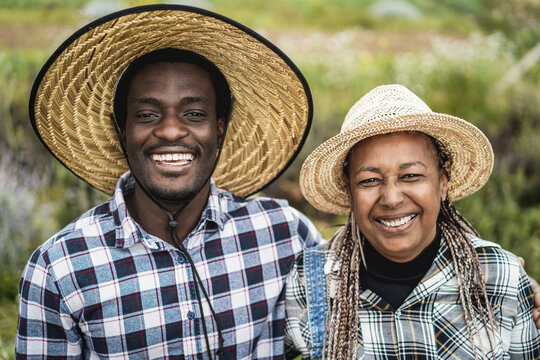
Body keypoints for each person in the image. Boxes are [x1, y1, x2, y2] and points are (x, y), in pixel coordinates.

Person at [16, 5, 321, 359]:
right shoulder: (60, 267)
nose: (171, 130)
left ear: (219, 130)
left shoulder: (286, 235)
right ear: (122, 131)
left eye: (194, 114)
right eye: (147, 115)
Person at [285, 84, 540, 359]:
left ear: (442, 183)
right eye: (369, 180)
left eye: (411, 176)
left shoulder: (500, 276)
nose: (392, 198)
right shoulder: (310, 281)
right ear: (350, 192)